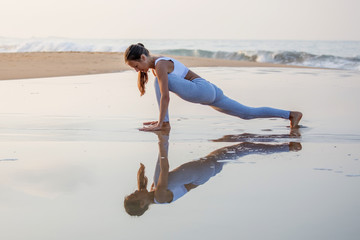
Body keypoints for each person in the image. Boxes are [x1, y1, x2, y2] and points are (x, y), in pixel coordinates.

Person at [124, 43, 303, 131]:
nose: (136, 70)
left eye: (135, 66)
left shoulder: (161, 65)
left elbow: (165, 96)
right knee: (247, 113)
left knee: (159, 83)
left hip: (202, 89)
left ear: (142, 58)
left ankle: (164, 124)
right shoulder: (157, 65)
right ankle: (291, 115)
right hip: (210, 91)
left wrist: (160, 122)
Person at [123, 129, 302, 216]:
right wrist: (162, 140)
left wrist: (140, 178)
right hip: (205, 169)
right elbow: (164, 167)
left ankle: (285, 143)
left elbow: (149, 186)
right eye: (134, 196)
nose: (134, 191)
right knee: (244, 146)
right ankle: (287, 146)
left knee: (242, 144)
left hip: (205, 171)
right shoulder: (160, 197)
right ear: (141, 205)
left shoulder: (153, 193)